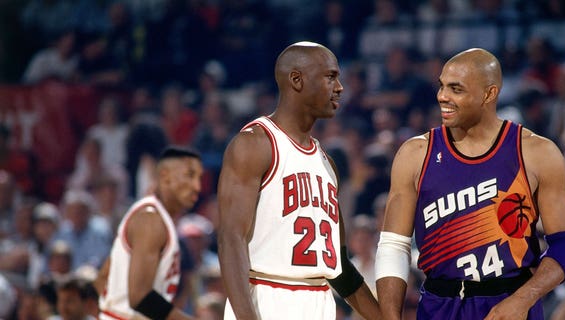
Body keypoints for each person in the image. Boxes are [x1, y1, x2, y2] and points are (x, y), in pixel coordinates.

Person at [375, 48, 565, 320]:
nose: (442, 97)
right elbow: (394, 245)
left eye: (455, 89)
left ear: (489, 94)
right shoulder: (415, 154)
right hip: (439, 306)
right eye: (442, 86)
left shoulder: (536, 152)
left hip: (510, 302)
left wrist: (524, 298)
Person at [217, 41, 381, 320]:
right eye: (330, 77)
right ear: (297, 79)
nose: (340, 87)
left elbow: (339, 267)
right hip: (267, 296)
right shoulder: (255, 143)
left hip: (319, 300)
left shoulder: (327, 163)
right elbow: (230, 238)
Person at [94, 146, 203, 320]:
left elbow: (102, 278)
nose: (197, 187)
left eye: (199, 178)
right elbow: (140, 298)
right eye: (190, 175)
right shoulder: (150, 221)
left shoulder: (155, 217)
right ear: (165, 176)